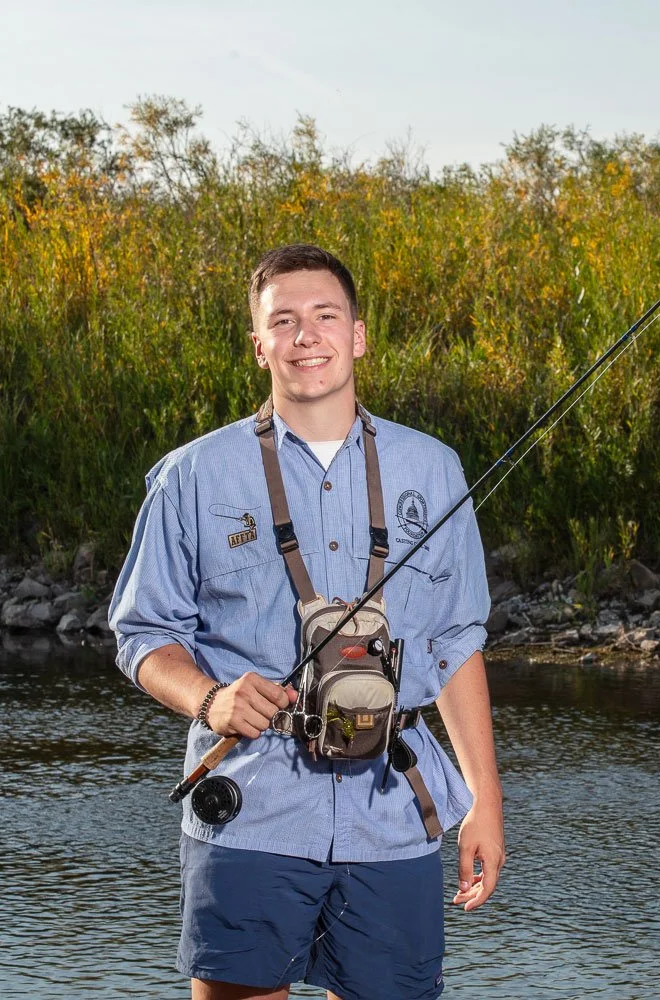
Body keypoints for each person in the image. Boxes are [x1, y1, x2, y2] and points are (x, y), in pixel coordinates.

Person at [109, 243, 505, 1000]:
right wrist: (210, 700)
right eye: (283, 321)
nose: (306, 336)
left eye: (326, 317)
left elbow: (456, 643)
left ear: (358, 335)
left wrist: (484, 802)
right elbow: (141, 635)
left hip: (396, 819)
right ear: (258, 345)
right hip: (251, 813)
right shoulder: (190, 474)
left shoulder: (435, 469)